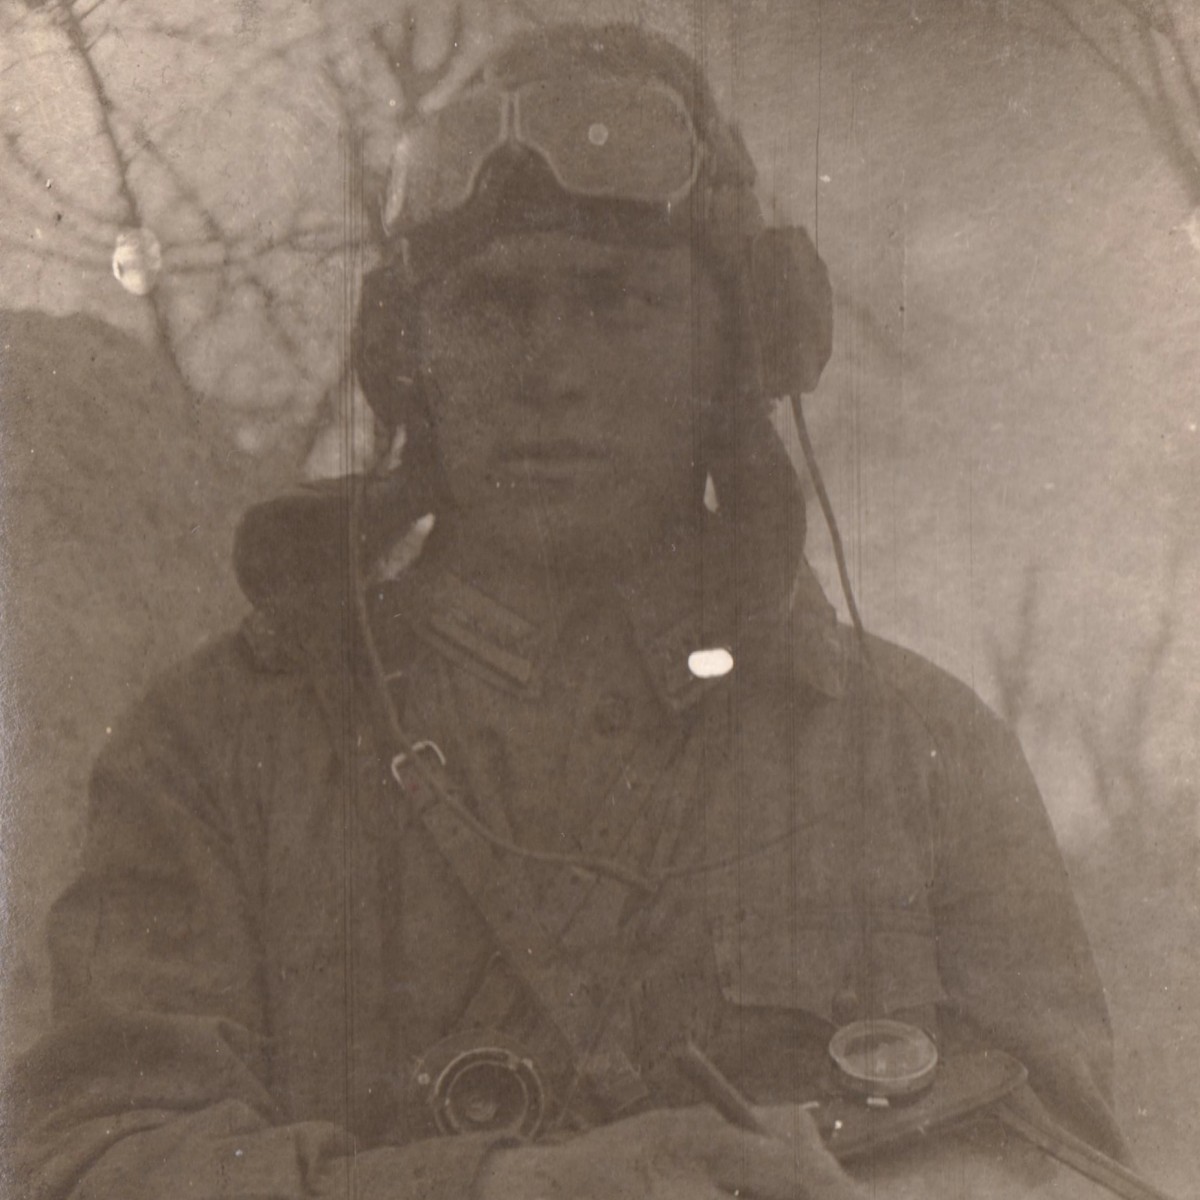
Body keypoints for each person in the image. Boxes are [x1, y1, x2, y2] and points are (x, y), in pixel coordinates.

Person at [9, 22, 1130, 1200]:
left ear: (737, 348)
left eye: (617, 302)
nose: (548, 364)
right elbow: (91, 1162)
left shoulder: (921, 760)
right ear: (409, 357)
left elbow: (1066, 1166)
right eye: (493, 306)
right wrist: (505, 1190)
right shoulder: (217, 754)